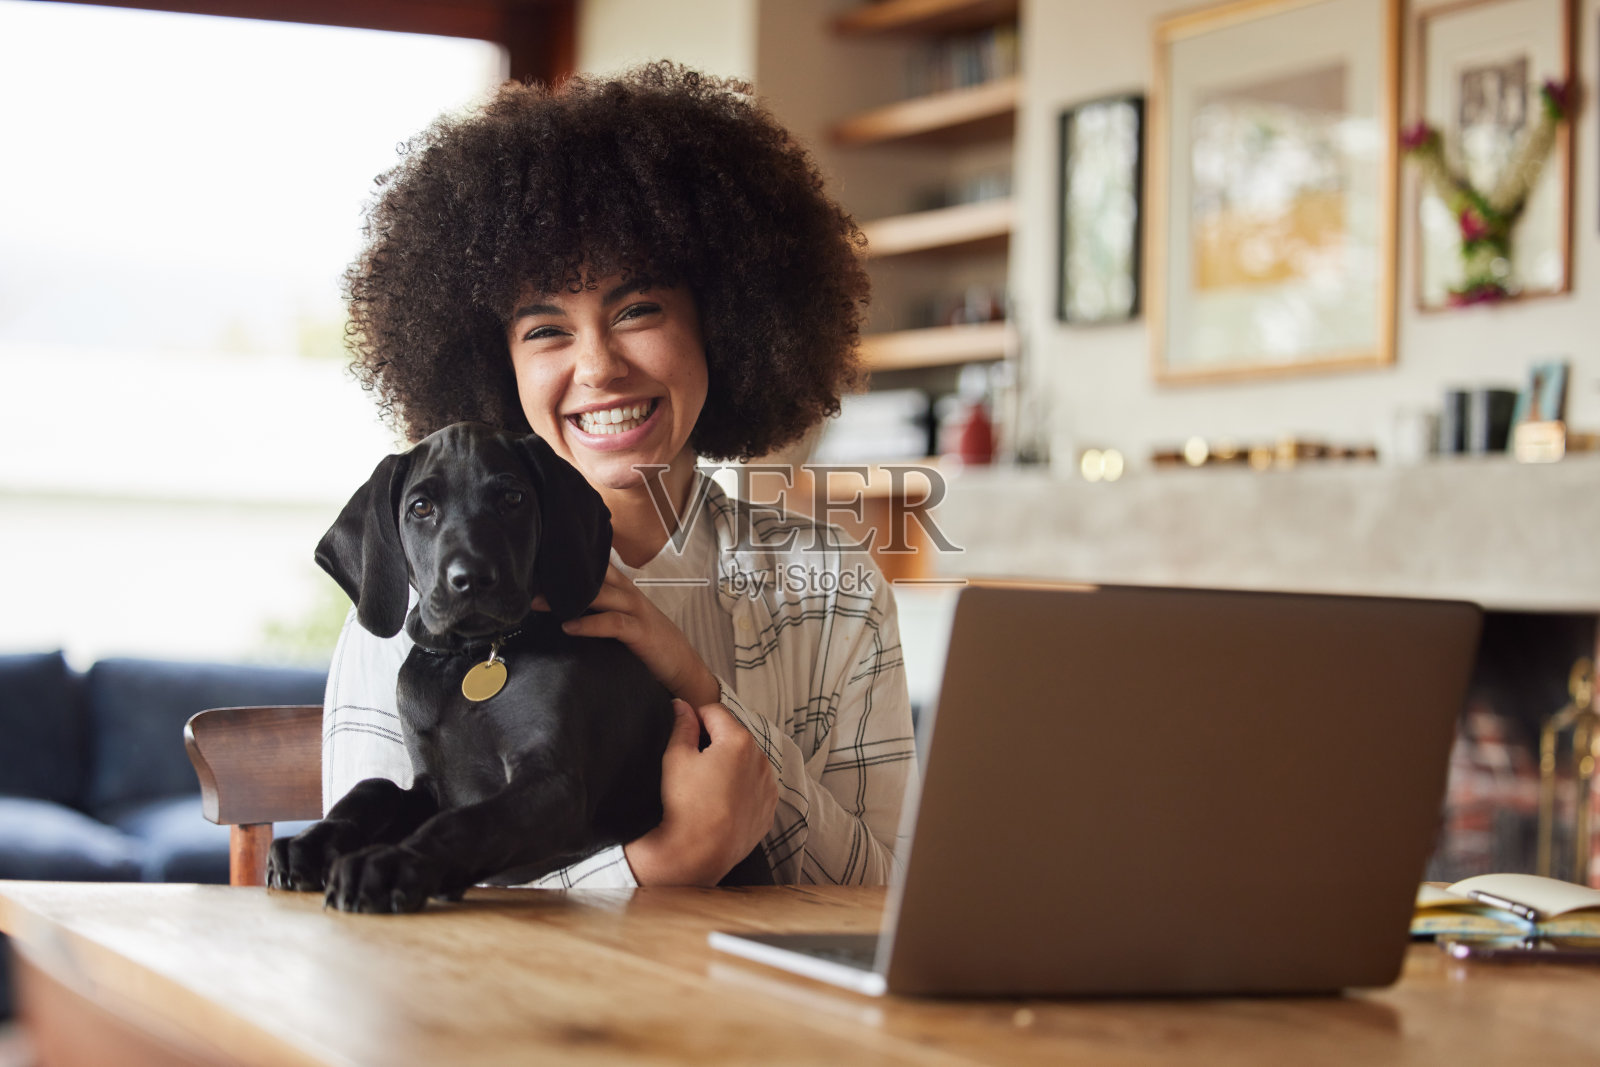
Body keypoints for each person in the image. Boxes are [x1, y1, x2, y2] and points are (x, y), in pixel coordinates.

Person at [321, 62, 918, 888]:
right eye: (545, 330)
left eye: (639, 311)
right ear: (496, 362)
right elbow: (366, 897)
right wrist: (653, 870)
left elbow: (881, 895)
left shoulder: (834, 588)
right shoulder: (414, 597)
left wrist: (700, 685)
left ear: (725, 320)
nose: (599, 366)